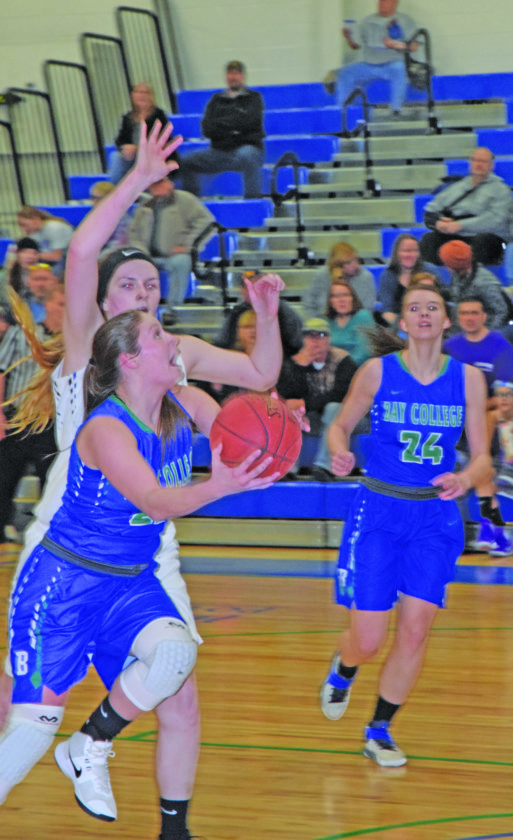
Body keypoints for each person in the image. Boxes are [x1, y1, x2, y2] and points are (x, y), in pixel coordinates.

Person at [0, 120, 285, 839]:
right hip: (73, 537)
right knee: (22, 709)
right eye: (126, 284)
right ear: (103, 300)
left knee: (178, 687)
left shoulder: (174, 358)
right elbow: (83, 252)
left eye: (151, 286)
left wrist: (265, 325)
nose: (142, 294)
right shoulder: (90, 353)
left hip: (146, 548)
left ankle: (169, 826)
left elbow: (257, 381)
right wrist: (137, 178)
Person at [0, 307, 278, 810]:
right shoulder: (106, 429)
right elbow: (154, 501)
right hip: (65, 584)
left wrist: (279, 428)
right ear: (129, 360)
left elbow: (246, 433)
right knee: (32, 731)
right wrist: (217, 486)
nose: (173, 340)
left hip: (130, 580)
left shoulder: (182, 402)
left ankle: (89, 743)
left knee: (175, 654)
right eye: (158, 333)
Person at [319, 283, 491, 766]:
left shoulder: (468, 380)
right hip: (379, 510)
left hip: (434, 517)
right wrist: (339, 450)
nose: (423, 314)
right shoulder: (377, 372)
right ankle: (345, 667)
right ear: (403, 320)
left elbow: (483, 457)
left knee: (415, 632)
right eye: (414, 307)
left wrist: (465, 478)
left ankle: (379, 731)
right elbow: (340, 425)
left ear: (446, 320)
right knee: (368, 639)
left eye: (432, 307)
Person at [444, 294, 513, 557]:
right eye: (464, 313)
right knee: (476, 464)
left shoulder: (501, 347)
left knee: (480, 456)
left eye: (475, 313)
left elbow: (505, 398)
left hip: (490, 422)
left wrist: (473, 407)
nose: (469, 318)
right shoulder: (451, 347)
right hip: (459, 425)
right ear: (458, 317)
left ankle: (493, 530)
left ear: (484, 316)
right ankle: (493, 531)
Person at [0, 285, 64, 551]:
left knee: (53, 478)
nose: (65, 310)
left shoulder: (71, 341)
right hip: (17, 416)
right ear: (47, 305)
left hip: (51, 421)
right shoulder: (20, 333)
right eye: (60, 304)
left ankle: (51, 533)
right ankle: (2, 529)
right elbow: (1, 371)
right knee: (4, 476)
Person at [276, 317, 357, 477]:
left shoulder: (343, 361)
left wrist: (304, 404)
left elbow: (340, 395)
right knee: (289, 407)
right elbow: (287, 393)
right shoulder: (296, 361)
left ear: (328, 339)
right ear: (303, 339)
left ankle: (324, 467)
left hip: (342, 418)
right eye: (309, 335)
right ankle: (288, 467)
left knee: (334, 407)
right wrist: (301, 366)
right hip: (311, 417)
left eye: (320, 335)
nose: (315, 341)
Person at [179, 61, 265, 199]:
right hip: (218, 152)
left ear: (242, 76)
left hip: (246, 149)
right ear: (226, 76)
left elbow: (250, 122)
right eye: (230, 73)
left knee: (248, 156)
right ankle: (192, 201)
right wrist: (235, 127)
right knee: (185, 161)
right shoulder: (216, 100)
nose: (233, 77)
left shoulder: (254, 98)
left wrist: (222, 125)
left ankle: (252, 201)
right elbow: (206, 128)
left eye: (236, 73)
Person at [128, 175, 215, 313]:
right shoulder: (145, 206)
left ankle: (173, 310)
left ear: (170, 183)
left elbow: (207, 222)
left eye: (162, 182)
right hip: (148, 256)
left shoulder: (185, 200)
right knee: (128, 263)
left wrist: (187, 245)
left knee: (181, 262)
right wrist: (140, 251)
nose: (160, 187)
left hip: (174, 256)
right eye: (155, 184)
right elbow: (134, 234)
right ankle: (139, 309)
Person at [420, 148, 513, 266]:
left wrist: (460, 225)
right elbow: (431, 210)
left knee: (484, 241)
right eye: (476, 160)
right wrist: (438, 223)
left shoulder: (501, 190)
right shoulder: (456, 187)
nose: (479, 164)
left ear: (491, 165)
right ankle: (431, 275)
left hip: (485, 236)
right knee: (429, 240)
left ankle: (477, 275)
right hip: (455, 234)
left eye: (483, 161)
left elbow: (495, 220)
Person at [333, 0, 419, 116]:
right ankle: (342, 111)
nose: (382, 4)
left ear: (394, 3)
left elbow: (414, 47)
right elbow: (356, 46)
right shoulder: (367, 21)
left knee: (400, 68)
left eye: (386, 2)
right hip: (369, 64)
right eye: (380, 2)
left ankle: (396, 109)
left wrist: (394, 44)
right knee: (345, 73)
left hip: (391, 63)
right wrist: (349, 38)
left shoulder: (404, 20)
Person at [214, 269, 303, 359]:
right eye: (248, 287)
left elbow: (295, 343)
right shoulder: (236, 313)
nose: (252, 290)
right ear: (242, 290)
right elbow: (223, 343)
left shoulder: (282, 311)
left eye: (256, 286)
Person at [438, 240, 510, 331]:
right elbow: (456, 294)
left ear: (453, 265)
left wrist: (481, 332)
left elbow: (501, 313)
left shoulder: (484, 283)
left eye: (446, 264)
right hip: (460, 323)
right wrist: (439, 293)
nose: (445, 267)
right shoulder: (459, 274)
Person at [109, 82, 171, 185]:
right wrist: (125, 147)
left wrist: (138, 148)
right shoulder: (128, 117)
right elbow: (119, 140)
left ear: (151, 96)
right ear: (132, 96)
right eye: (138, 92)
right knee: (115, 157)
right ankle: (118, 190)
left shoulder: (159, 115)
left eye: (145, 93)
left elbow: (164, 139)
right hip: (132, 157)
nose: (141, 95)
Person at [377, 233, 442, 328]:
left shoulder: (430, 271)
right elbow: (387, 310)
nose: (410, 255)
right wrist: (406, 327)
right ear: (396, 253)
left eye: (414, 251)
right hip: (399, 324)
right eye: (406, 251)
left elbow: (439, 303)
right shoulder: (388, 275)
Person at [305, 241, 377, 316]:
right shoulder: (322, 275)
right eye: (349, 263)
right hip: (323, 320)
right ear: (338, 266)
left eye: (356, 260)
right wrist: (316, 320)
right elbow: (309, 303)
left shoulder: (365, 277)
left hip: (356, 321)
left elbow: (367, 309)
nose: (356, 265)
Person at [326, 278, 375, 367]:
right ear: (330, 302)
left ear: (353, 298)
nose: (341, 300)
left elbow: (363, 353)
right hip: (330, 369)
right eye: (336, 296)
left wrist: (341, 367)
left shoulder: (363, 316)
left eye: (345, 295)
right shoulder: (325, 321)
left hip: (357, 369)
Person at [17, 206, 73, 273]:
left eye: (24, 225)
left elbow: (57, 257)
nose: (23, 228)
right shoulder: (34, 232)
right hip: (52, 261)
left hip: (68, 260)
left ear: (35, 219)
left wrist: (31, 256)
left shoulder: (54, 228)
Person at [89, 181, 130, 255]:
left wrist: (96, 257)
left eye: (99, 198)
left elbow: (118, 246)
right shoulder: (92, 216)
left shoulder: (122, 219)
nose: (94, 201)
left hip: (111, 257)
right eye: (93, 197)